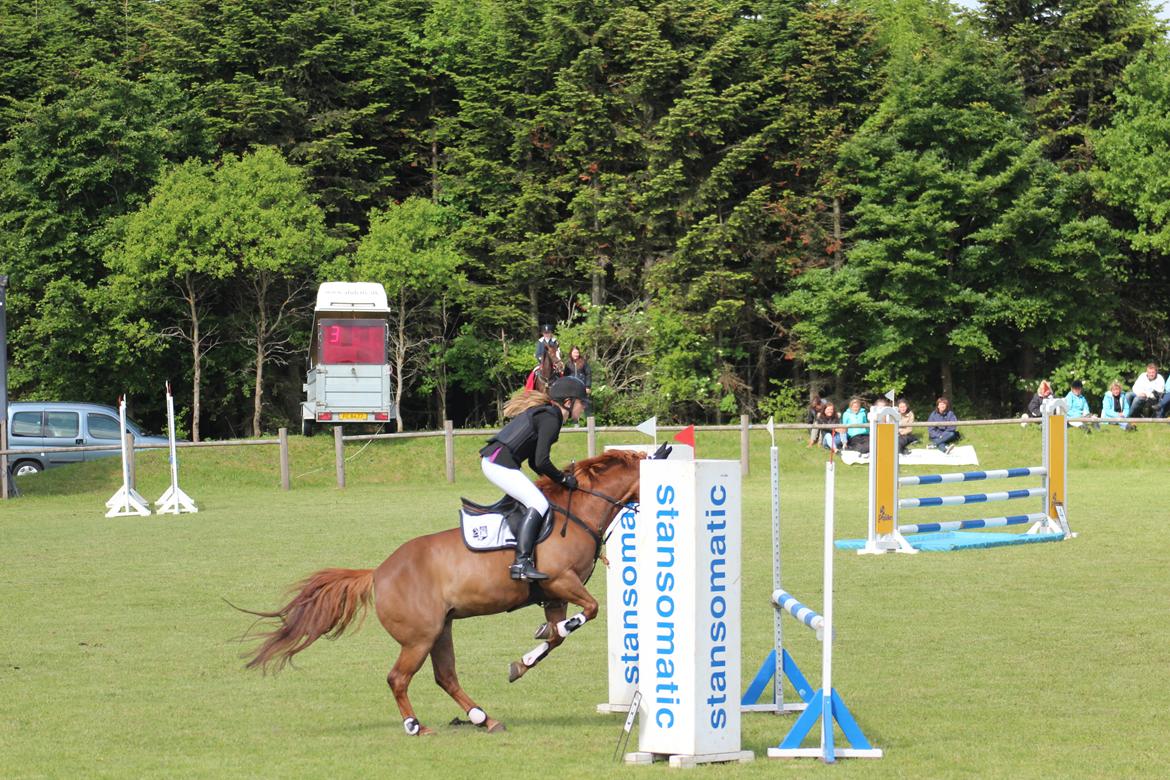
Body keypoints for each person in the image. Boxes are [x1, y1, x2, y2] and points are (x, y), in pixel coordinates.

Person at [479, 376, 588, 581]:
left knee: (535, 498)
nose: (583, 408)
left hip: (497, 461)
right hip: (498, 463)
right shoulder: (551, 418)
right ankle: (521, 563)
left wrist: (556, 480)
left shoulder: (548, 414)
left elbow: (536, 464)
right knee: (538, 502)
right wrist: (564, 481)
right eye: (582, 403)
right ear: (568, 402)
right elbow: (542, 460)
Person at [563, 346, 592, 412]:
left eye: (577, 352)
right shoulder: (567, 364)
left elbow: (588, 374)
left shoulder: (584, 363)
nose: (576, 354)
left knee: (585, 407)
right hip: (571, 389)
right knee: (573, 409)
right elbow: (565, 377)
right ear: (571, 353)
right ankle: (575, 421)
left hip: (582, 387)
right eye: (574, 352)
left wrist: (588, 386)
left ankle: (588, 420)